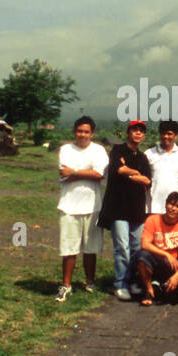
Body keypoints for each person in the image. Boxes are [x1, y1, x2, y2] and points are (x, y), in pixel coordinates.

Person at [56, 115, 109, 301]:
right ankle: (66, 285)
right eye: (79, 131)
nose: (82, 135)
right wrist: (87, 173)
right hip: (69, 205)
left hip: (93, 205)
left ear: (92, 133)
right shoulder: (65, 150)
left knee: (90, 248)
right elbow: (64, 174)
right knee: (69, 248)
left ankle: (90, 282)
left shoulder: (99, 150)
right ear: (74, 131)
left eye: (86, 132)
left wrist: (75, 172)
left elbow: (99, 174)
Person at [97, 120, 151, 301]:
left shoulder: (143, 157)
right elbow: (118, 170)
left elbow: (147, 181)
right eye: (135, 130)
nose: (138, 134)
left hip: (137, 209)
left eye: (141, 131)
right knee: (122, 247)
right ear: (128, 133)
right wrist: (135, 174)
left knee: (136, 248)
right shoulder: (117, 150)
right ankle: (120, 284)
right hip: (118, 208)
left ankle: (134, 280)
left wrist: (130, 172)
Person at [134, 191, 178, 306]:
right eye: (171, 204)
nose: (173, 209)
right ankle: (149, 290)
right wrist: (166, 254)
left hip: (174, 264)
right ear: (166, 204)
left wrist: (177, 276)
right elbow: (145, 244)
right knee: (142, 255)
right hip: (157, 260)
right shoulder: (153, 220)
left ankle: (160, 285)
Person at [145, 120, 178, 217]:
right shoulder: (149, 153)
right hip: (153, 206)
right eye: (163, 133)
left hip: (175, 208)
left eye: (169, 134)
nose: (166, 136)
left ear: (176, 135)